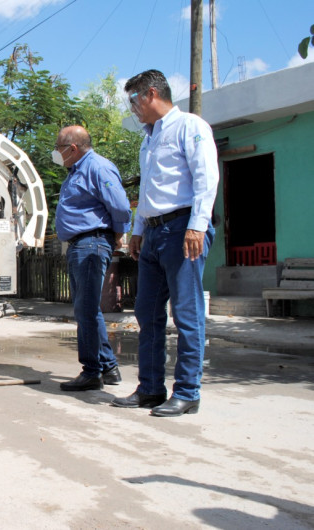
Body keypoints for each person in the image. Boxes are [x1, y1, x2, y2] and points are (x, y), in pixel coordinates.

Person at [112, 69, 218, 417]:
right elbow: (148, 190)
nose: (133, 108)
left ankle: (187, 392)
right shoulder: (148, 139)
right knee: (147, 312)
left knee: (186, 313)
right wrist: (138, 229)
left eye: (133, 100)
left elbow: (206, 177)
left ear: (151, 94)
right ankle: (150, 388)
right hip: (154, 233)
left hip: (182, 229)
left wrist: (197, 226)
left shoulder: (189, 126)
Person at [54, 125, 132, 392]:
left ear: (73, 148)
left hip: (91, 243)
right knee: (87, 310)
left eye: (58, 148)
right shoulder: (77, 171)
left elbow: (120, 206)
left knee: (86, 310)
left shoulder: (97, 167)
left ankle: (92, 372)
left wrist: (119, 235)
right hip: (81, 245)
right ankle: (108, 367)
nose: (56, 153)